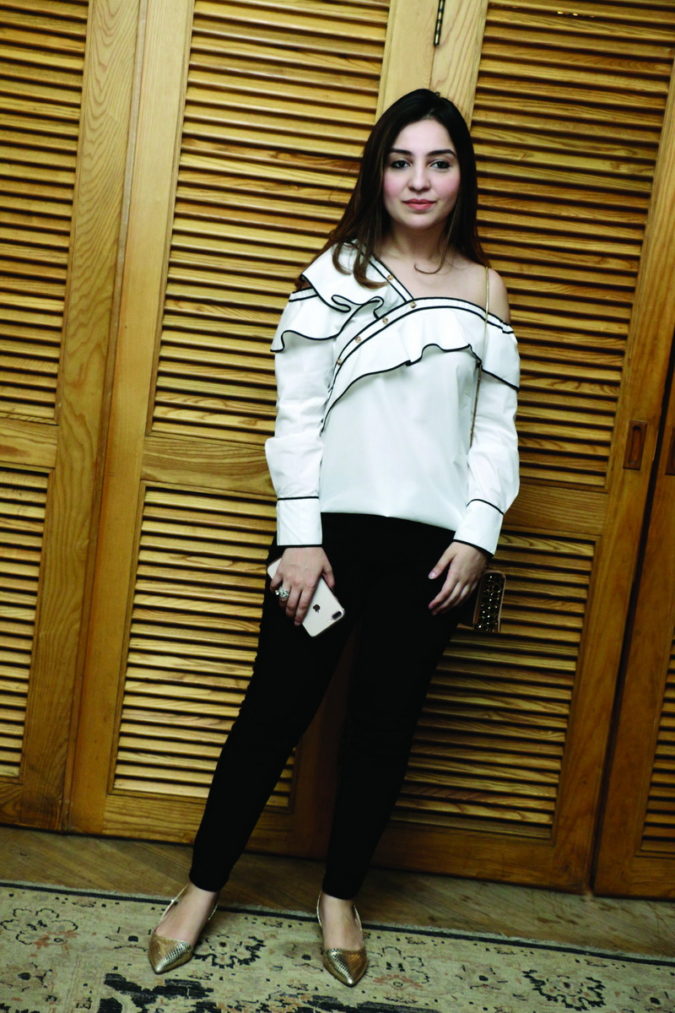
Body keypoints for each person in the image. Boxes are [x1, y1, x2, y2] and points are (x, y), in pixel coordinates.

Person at [148, 88, 519, 987]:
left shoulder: (484, 287)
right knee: (270, 715)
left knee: (383, 731)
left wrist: (478, 534)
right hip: (324, 545)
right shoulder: (334, 272)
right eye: (400, 162)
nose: (418, 180)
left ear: (461, 176)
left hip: (433, 555)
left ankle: (340, 898)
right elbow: (298, 415)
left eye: (438, 162)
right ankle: (199, 888)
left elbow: (493, 429)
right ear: (376, 174)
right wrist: (299, 538)